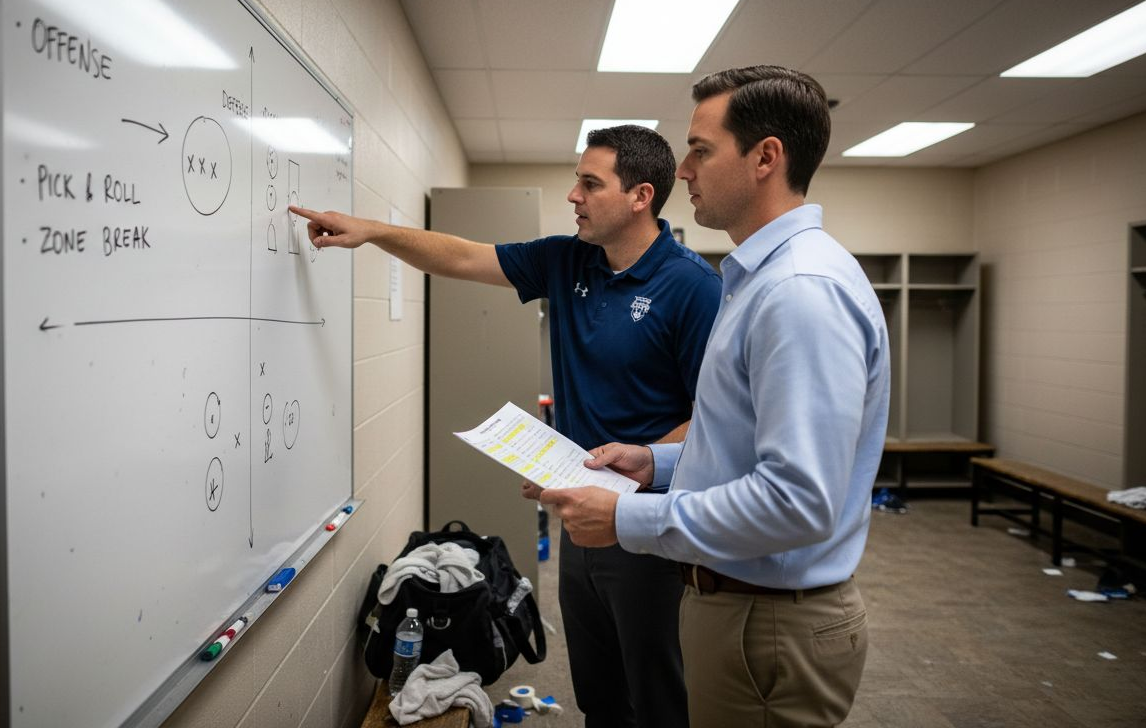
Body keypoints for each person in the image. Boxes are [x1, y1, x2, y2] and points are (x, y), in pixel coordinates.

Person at [291, 124, 720, 728]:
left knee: (656, 695)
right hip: (578, 519)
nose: (573, 194)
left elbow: (714, 420)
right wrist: (373, 233)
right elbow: (465, 256)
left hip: (648, 526)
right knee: (597, 694)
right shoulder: (567, 259)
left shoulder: (693, 288)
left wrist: (633, 466)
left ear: (640, 196)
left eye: (589, 183)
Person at [540, 66, 891, 727]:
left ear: (766, 157)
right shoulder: (756, 281)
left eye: (701, 149)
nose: (686, 170)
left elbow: (797, 501)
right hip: (739, 608)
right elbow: (745, 444)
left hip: (770, 624)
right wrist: (653, 462)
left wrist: (625, 521)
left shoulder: (799, 292)